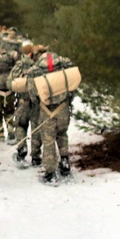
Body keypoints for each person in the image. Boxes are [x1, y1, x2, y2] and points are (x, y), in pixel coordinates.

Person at [26, 45, 75, 183]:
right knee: (62, 134)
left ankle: (50, 173)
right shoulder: (63, 63)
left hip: (47, 110)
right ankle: (65, 163)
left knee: (48, 140)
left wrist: (40, 101)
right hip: (63, 108)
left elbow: (33, 94)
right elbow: (72, 84)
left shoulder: (35, 70)